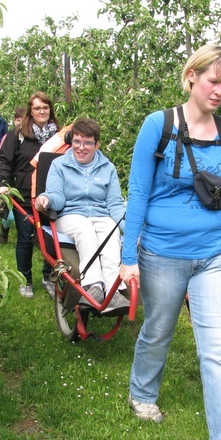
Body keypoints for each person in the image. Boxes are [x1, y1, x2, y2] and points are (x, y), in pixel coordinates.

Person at [119, 44, 221, 440]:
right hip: (162, 252)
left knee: (218, 352)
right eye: (213, 80)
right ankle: (142, 392)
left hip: (216, 253)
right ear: (192, 76)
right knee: (158, 329)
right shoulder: (157, 126)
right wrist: (128, 258)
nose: (219, 90)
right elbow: (139, 192)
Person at [34, 118, 130, 317]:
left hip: (101, 215)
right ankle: (92, 285)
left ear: (97, 145)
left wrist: (128, 227)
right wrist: (46, 198)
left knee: (110, 232)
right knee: (85, 229)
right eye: (77, 141)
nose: (81, 148)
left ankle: (113, 292)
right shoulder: (59, 165)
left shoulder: (107, 168)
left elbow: (114, 204)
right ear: (72, 141)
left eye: (87, 143)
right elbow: (57, 197)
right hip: (70, 215)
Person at [0, 92, 59, 299]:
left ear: (50, 110)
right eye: (37, 108)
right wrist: (4, 184)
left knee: (51, 238)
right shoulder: (18, 134)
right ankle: (26, 280)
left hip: (50, 194)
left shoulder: (58, 135)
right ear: (30, 111)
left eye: (45, 108)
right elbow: (4, 160)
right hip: (24, 195)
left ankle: (49, 277)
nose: (42, 111)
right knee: (25, 237)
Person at [0, 107, 26, 245]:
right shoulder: (10, 136)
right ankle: (4, 228)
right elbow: (3, 160)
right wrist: (0, 183)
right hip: (12, 183)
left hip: (24, 182)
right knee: (10, 215)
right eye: (19, 120)